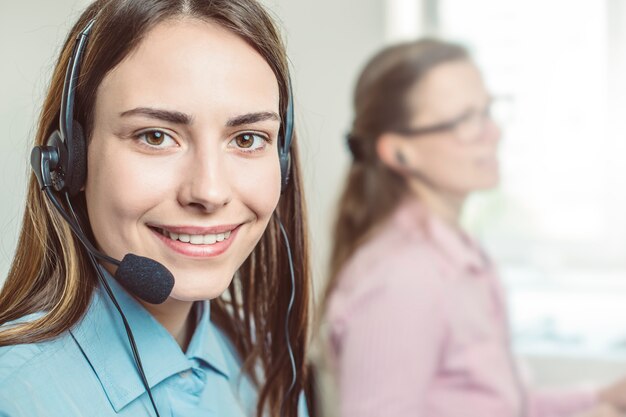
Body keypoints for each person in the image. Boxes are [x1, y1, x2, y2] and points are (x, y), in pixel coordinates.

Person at [0, 1, 311, 416]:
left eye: (247, 139)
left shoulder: (261, 364)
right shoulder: (18, 393)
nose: (209, 191)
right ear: (70, 161)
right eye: (156, 136)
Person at [319, 39, 626, 417]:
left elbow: (503, 406)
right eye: (465, 121)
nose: (493, 133)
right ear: (400, 151)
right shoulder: (403, 277)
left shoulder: (459, 254)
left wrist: (602, 397)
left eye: (487, 112)